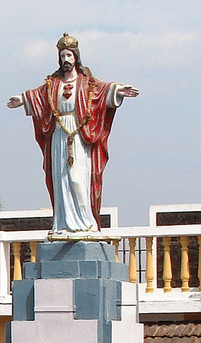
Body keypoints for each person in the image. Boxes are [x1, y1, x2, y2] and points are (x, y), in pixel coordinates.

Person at [8, 33, 138, 236]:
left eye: (69, 55)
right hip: (59, 133)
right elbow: (38, 95)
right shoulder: (54, 84)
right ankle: (63, 224)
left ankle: (86, 222)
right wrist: (23, 99)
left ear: (76, 56)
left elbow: (103, 91)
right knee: (61, 179)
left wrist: (118, 90)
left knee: (78, 178)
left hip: (80, 133)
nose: (66, 60)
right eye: (62, 56)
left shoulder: (86, 82)